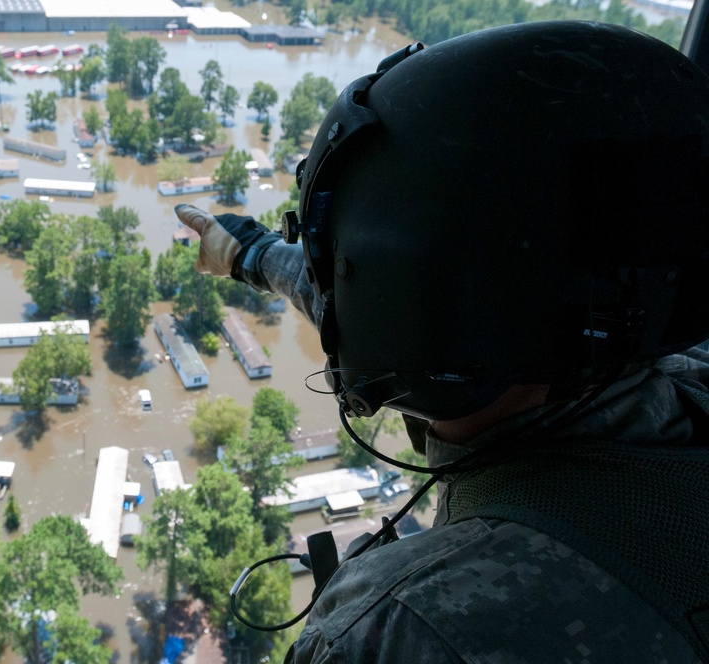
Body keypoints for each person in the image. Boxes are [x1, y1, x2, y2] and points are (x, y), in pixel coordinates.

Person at [175, 21, 709, 663]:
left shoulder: (397, 631)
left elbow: (396, 315)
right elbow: (426, 309)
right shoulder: (665, 359)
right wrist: (251, 254)